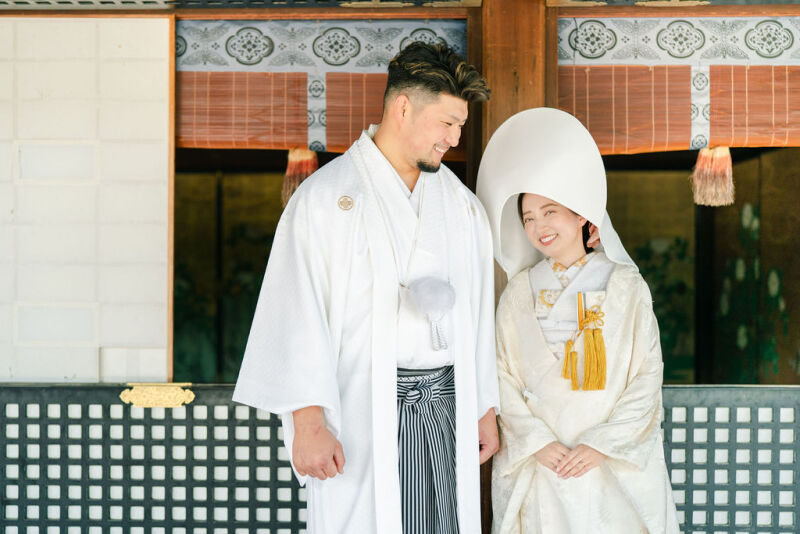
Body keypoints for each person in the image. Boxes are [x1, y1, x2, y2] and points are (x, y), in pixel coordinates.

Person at [233, 42, 500, 534]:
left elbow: (479, 314)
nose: (454, 139)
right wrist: (308, 422)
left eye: (460, 126)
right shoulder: (326, 199)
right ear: (402, 107)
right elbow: (297, 310)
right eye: (446, 123)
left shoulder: (462, 206)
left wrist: (484, 406)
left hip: (447, 403)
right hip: (359, 405)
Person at [476, 108, 680, 534]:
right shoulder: (518, 291)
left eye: (550, 212)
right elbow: (500, 374)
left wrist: (602, 445)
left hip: (607, 462)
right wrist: (537, 443)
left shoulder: (625, 285)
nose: (538, 227)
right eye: (529, 218)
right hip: (543, 461)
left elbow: (647, 375)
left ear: (582, 214)